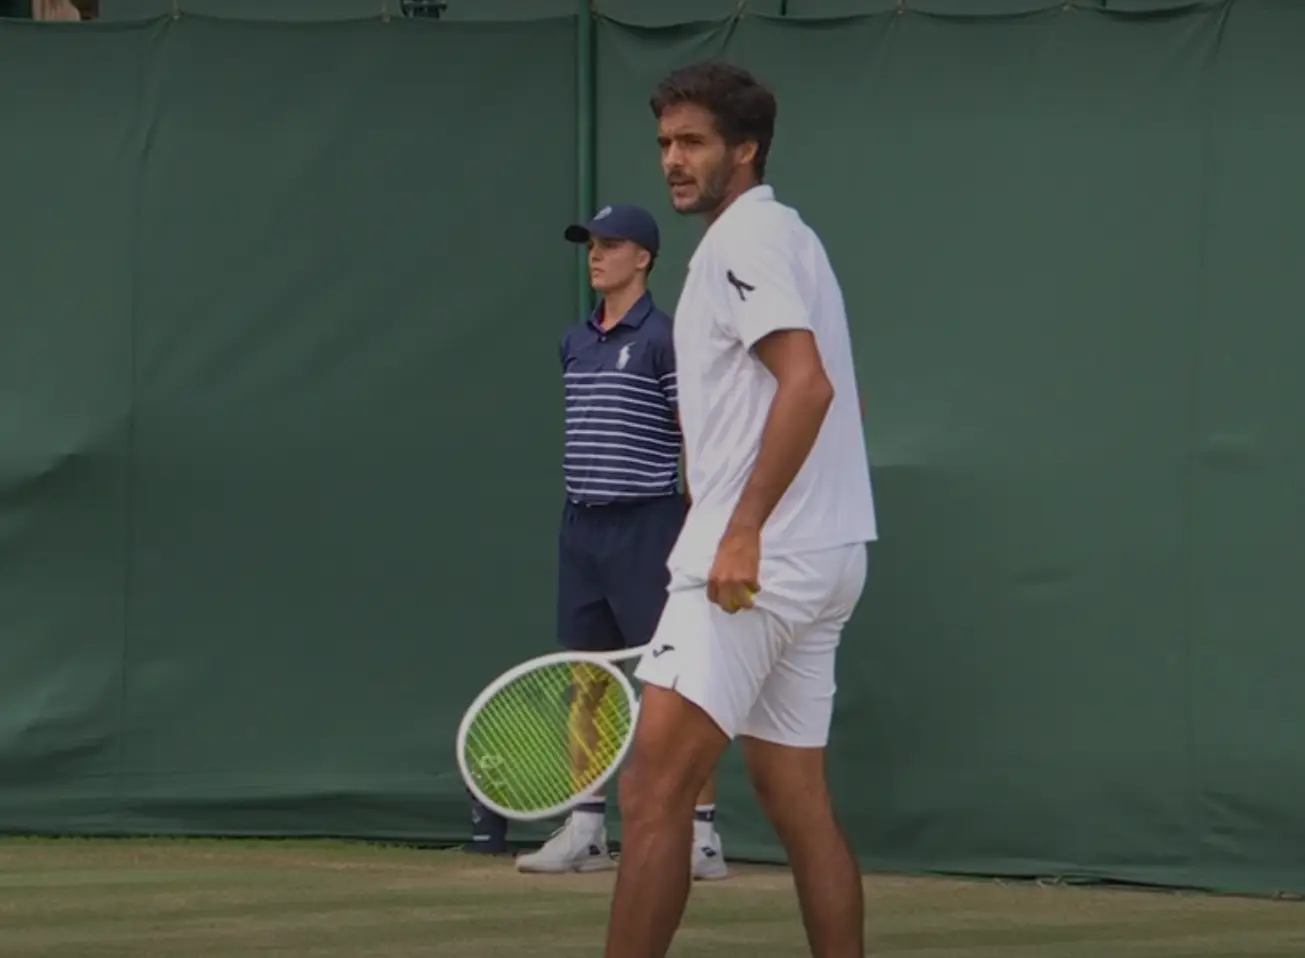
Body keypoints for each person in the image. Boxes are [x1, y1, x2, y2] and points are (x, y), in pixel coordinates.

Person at [602, 62, 878, 958]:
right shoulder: (791, 239)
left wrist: (745, 527)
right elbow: (833, 398)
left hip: (757, 563)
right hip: (826, 555)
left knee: (652, 794)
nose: (672, 161)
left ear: (745, 150)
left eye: (692, 143)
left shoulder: (742, 244)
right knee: (797, 806)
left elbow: (808, 387)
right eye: (664, 145)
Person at [514, 202, 729, 881]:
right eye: (590, 246)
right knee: (588, 680)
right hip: (582, 526)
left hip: (649, 526)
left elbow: (692, 433)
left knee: (681, 683)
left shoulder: (666, 338)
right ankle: (586, 831)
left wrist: (701, 522)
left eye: (611, 245)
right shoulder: (573, 341)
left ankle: (699, 838)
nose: (596, 256)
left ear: (644, 258)